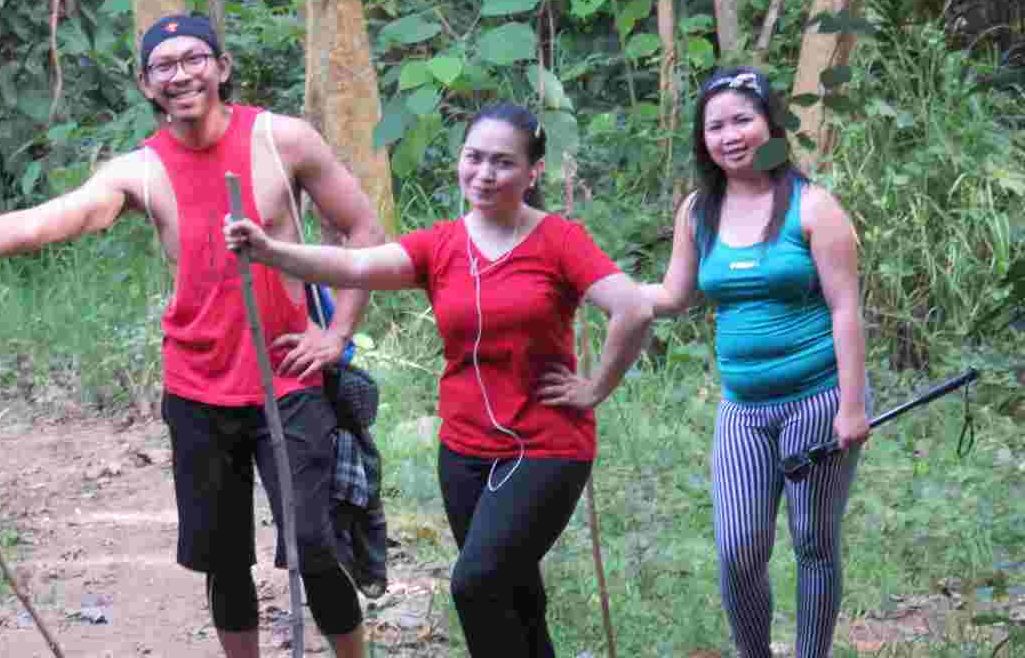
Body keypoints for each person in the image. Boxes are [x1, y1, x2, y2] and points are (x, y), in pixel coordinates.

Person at [0, 13, 387, 658]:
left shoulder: (283, 140)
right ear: (146, 84)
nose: (181, 75)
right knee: (224, 560)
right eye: (163, 66)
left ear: (222, 67)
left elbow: (363, 230)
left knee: (314, 546)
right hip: (197, 388)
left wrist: (337, 333)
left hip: (289, 377)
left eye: (194, 59)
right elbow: (45, 222)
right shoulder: (140, 171)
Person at [224, 102, 652, 657]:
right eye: (474, 158)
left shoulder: (559, 240)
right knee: (517, 595)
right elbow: (356, 266)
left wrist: (595, 387)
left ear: (533, 172)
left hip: (547, 448)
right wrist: (269, 251)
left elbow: (632, 309)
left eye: (503, 162)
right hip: (464, 450)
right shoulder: (441, 244)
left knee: (476, 584)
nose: (485, 173)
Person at [640, 67, 870, 658]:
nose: (730, 135)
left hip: (817, 401)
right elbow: (673, 295)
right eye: (715, 126)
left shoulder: (813, 206)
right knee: (739, 549)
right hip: (742, 410)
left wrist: (851, 406)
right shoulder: (698, 211)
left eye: (742, 119)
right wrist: (600, 288)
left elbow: (845, 308)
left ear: (770, 125)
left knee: (814, 541)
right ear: (703, 139)